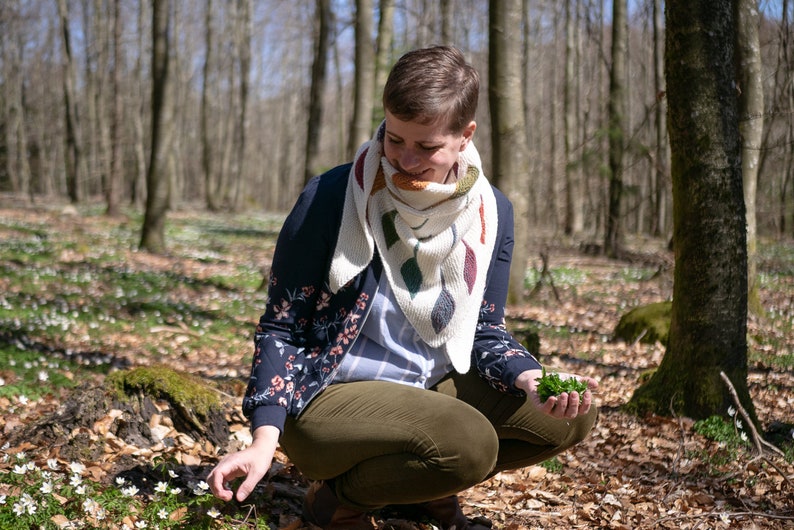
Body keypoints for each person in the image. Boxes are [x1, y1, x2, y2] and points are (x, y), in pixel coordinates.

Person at [207, 45, 598, 530]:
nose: (405, 160)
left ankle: (421, 489)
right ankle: (339, 502)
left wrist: (528, 378)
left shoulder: (490, 211)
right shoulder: (332, 197)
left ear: (464, 136)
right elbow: (281, 327)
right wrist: (265, 438)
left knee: (570, 415)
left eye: (427, 147)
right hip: (332, 394)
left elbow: (484, 331)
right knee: (467, 442)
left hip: (430, 382)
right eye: (394, 140)